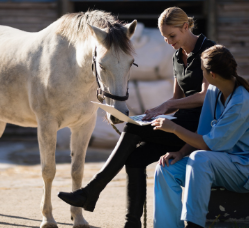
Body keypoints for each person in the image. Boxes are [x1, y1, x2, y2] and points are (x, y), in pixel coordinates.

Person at [58, 7, 215, 228]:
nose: (169, 41)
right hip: (180, 123)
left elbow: (205, 96)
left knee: (131, 130)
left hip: (199, 129)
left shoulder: (209, 51)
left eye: (172, 36)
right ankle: (131, 223)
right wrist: (153, 113)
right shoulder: (177, 57)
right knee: (135, 157)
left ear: (186, 27)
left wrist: (167, 105)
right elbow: (176, 99)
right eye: (164, 37)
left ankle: (91, 191)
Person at [151, 45, 249, 228]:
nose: (202, 75)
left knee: (200, 158)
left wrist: (174, 128)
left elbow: (208, 145)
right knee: (165, 169)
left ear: (212, 74)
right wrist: (181, 153)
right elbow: (202, 133)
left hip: (247, 170)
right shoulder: (214, 92)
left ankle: (194, 224)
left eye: (202, 71)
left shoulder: (241, 102)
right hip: (216, 164)